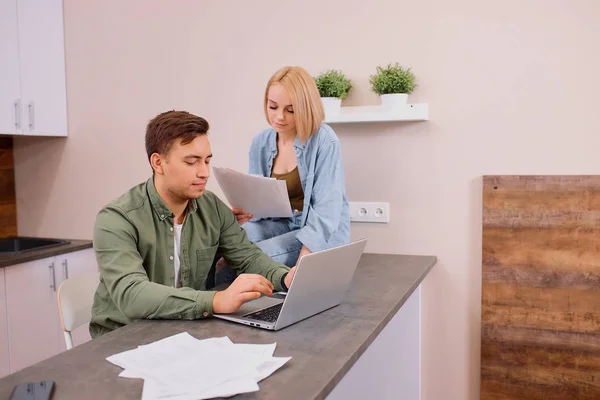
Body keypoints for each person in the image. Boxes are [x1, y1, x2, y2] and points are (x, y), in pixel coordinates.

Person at [89, 110, 296, 338]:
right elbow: (132, 294)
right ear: (158, 163)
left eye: (207, 160)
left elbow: (248, 257)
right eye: (191, 162)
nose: (204, 172)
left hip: (183, 332)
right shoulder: (116, 219)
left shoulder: (212, 208)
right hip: (123, 339)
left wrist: (285, 278)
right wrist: (215, 300)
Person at [217, 65, 350, 284]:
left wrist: (305, 262)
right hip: (278, 222)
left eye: (290, 110)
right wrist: (240, 215)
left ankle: (221, 302)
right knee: (225, 244)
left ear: (305, 107)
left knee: (252, 258)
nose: (279, 117)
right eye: (272, 106)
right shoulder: (261, 142)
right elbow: (257, 203)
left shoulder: (324, 140)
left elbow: (327, 211)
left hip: (315, 232)